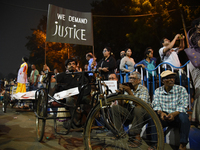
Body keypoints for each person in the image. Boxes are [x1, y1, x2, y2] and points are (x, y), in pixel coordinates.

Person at [150, 70, 190, 150]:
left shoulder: (181, 89)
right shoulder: (158, 91)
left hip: (176, 116)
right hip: (164, 117)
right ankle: (155, 143)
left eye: (173, 78)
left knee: (184, 117)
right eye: (168, 78)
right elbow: (156, 105)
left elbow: (183, 105)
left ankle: (182, 144)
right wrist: (161, 113)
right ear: (162, 81)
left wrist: (173, 114)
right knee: (153, 117)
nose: (172, 80)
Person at [111, 71, 150, 148]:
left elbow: (140, 105)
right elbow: (121, 104)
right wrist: (121, 94)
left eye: (133, 78)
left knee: (138, 108)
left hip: (143, 113)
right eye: (130, 78)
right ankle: (120, 133)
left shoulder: (143, 89)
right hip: (132, 112)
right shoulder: (129, 89)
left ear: (139, 80)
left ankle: (136, 136)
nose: (131, 80)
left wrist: (129, 92)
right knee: (115, 108)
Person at [55, 59, 91, 129]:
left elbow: (86, 84)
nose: (72, 65)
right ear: (66, 67)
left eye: (73, 64)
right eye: (69, 64)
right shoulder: (61, 76)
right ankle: (76, 123)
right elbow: (57, 87)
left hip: (80, 95)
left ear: (76, 66)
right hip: (68, 96)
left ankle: (87, 121)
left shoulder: (80, 75)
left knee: (89, 99)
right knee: (70, 100)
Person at [187, 18, 200, 128]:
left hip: (197, 64)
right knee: (199, 89)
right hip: (197, 64)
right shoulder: (196, 35)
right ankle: (197, 118)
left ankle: (196, 117)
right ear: (197, 25)